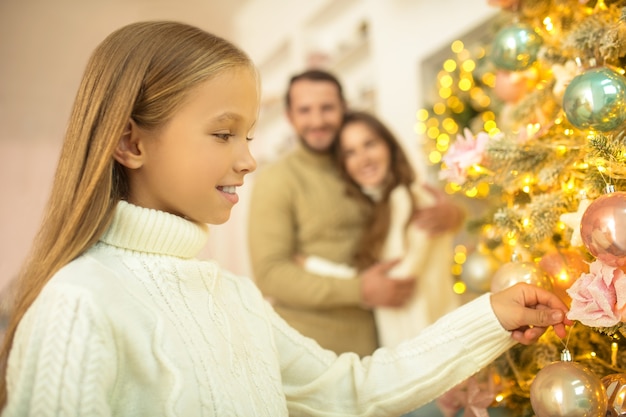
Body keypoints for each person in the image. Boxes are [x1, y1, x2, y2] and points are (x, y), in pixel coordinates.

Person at [0, 20, 571, 417]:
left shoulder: (234, 298)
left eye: (248, 135)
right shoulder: (80, 303)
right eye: (224, 133)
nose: (247, 159)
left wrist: (489, 317)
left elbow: (354, 391)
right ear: (131, 142)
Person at [247, 69, 463, 357]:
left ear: (343, 109)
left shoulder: (360, 167)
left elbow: (404, 213)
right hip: (312, 350)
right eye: (305, 110)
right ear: (290, 117)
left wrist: (454, 216)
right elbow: (270, 274)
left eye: (327, 108)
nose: (317, 120)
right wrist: (360, 290)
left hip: (384, 343)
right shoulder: (277, 180)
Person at [300, 110, 463, 348]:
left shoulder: (411, 198)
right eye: (350, 152)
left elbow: (395, 283)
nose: (363, 158)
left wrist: (312, 266)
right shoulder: (380, 207)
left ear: (389, 147)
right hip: (415, 350)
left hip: (429, 349)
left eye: (370, 144)